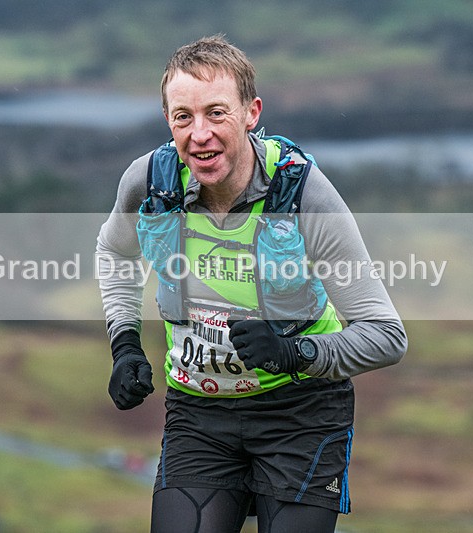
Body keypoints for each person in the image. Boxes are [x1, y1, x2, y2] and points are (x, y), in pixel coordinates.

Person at [96, 35, 407, 533]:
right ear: (168, 121)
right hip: (199, 412)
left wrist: (293, 353)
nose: (200, 134)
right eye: (183, 117)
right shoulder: (150, 184)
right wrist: (125, 343)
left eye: (216, 113)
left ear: (251, 112)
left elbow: (387, 336)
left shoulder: (304, 194)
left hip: (300, 412)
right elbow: (114, 251)